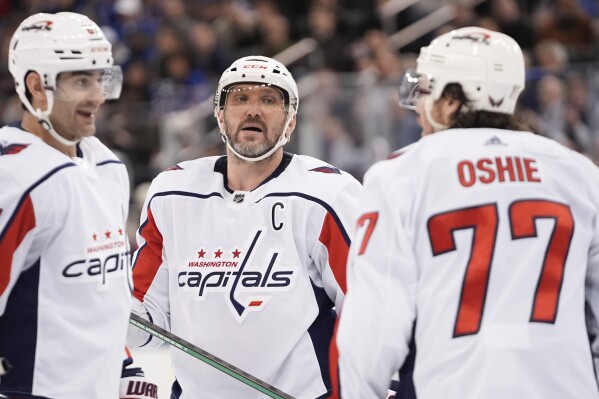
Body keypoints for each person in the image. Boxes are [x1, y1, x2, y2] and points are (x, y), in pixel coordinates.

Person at [331, 26, 599, 399]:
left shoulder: (401, 174)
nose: (421, 107)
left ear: (453, 100)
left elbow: (374, 323)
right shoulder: (579, 172)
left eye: (426, 91)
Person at [127, 55, 362, 398]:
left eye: (269, 100)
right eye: (240, 99)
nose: (254, 110)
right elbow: (145, 320)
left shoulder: (327, 196)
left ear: (291, 121)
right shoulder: (171, 193)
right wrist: (99, 304)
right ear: (220, 115)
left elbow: (366, 310)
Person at [0, 12, 153, 399]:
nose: (98, 96)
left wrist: (123, 370)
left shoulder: (108, 167)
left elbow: (101, 296)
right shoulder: (15, 180)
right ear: (37, 86)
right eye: (81, 80)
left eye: (101, 78)